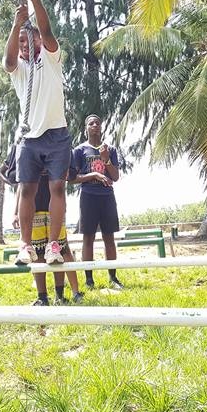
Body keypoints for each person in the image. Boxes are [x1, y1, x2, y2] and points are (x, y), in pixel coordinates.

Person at [4, 0, 71, 267]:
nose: (23, 45)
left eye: (27, 39)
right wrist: (16, 25)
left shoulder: (52, 59)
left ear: (38, 42)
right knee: (27, 189)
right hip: (29, 137)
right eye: (19, 41)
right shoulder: (20, 70)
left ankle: (54, 244)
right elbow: (8, 61)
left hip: (56, 134)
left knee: (57, 188)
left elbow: (46, 30)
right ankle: (26, 245)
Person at [13, 170, 84, 305]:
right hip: (32, 208)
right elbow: (21, 184)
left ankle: (60, 295)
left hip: (55, 208)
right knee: (37, 252)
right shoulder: (24, 155)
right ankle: (42, 297)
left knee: (58, 251)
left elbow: (66, 176)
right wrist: (16, 212)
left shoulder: (59, 154)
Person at [71, 114, 123, 290]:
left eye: (97, 123)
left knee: (109, 237)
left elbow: (115, 176)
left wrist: (106, 159)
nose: (94, 125)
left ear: (101, 127)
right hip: (88, 196)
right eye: (91, 123)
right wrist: (93, 175)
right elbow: (72, 178)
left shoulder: (110, 149)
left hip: (107, 197)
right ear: (86, 128)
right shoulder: (79, 151)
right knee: (88, 238)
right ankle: (89, 280)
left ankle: (113, 278)